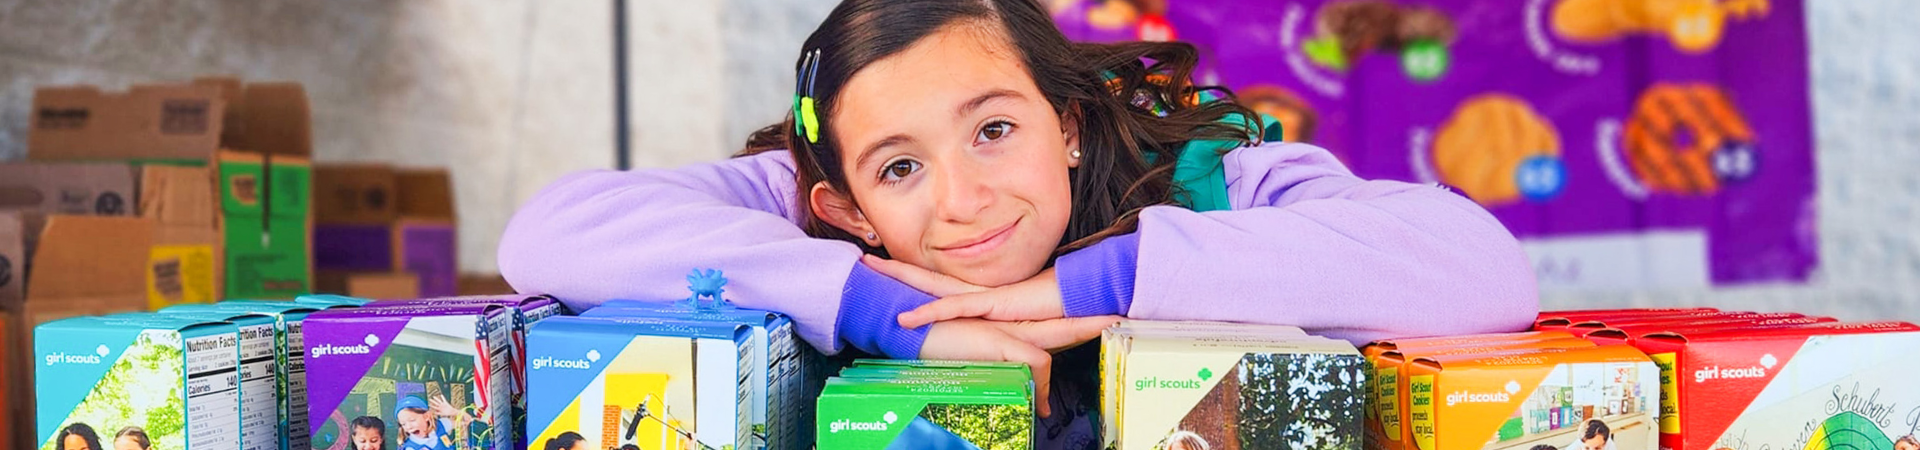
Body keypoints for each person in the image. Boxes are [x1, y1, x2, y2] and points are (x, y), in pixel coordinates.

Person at [499, 0, 1535, 420]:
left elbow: (1485, 267)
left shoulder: (1216, 180)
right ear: (847, 205)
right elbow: (544, 233)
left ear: (1071, 122)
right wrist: (881, 310)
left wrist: (1092, 284)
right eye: (900, 169)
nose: (965, 198)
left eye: (994, 130)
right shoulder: (809, 205)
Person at [394, 395, 476, 450]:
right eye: (403, 424)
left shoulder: (440, 426)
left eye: (412, 420)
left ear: (426, 416)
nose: (408, 427)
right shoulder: (411, 448)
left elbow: (468, 420)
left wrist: (453, 412)